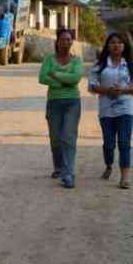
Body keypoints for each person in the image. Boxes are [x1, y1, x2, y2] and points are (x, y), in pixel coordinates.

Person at [88, 33, 133, 189]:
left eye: (119, 43)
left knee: (124, 143)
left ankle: (124, 177)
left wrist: (123, 90)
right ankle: (109, 165)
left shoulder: (130, 64)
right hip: (106, 110)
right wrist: (107, 90)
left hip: (125, 109)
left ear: (124, 46)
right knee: (109, 143)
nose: (116, 45)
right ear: (108, 46)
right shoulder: (100, 64)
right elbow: (92, 85)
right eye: (112, 43)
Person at [39, 29, 85, 189]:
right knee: (55, 139)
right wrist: (65, 81)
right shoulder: (49, 60)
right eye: (63, 39)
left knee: (68, 137)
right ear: (57, 41)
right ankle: (58, 167)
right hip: (54, 102)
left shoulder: (77, 61)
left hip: (72, 102)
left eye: (69, 40)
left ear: (72, 42)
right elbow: (42, 77)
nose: (66, 42)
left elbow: (76, 78)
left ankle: (68, 174)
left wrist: (56, 76)